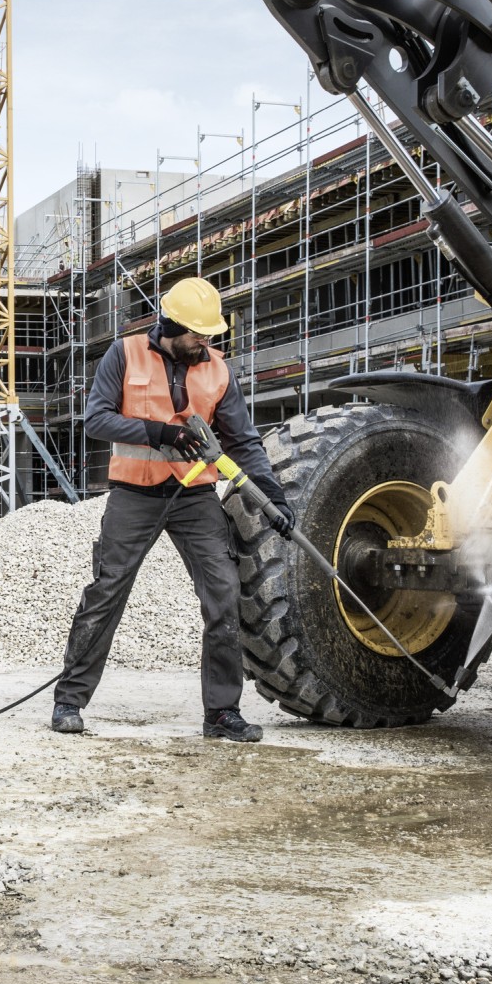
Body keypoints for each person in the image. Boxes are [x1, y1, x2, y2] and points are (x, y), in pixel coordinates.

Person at [52, 276, 293, 742]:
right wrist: (162, 433)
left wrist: (274, 497)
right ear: (170, 324)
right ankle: (69, 699)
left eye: (209, 335)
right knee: (106, 592)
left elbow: (243, 441)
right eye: (198, 334)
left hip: (195, 497)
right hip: (133, 494)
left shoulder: (219, 369)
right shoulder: (123, 354)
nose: (205, 342)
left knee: (224, 595)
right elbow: (97, 419)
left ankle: (221, 713)